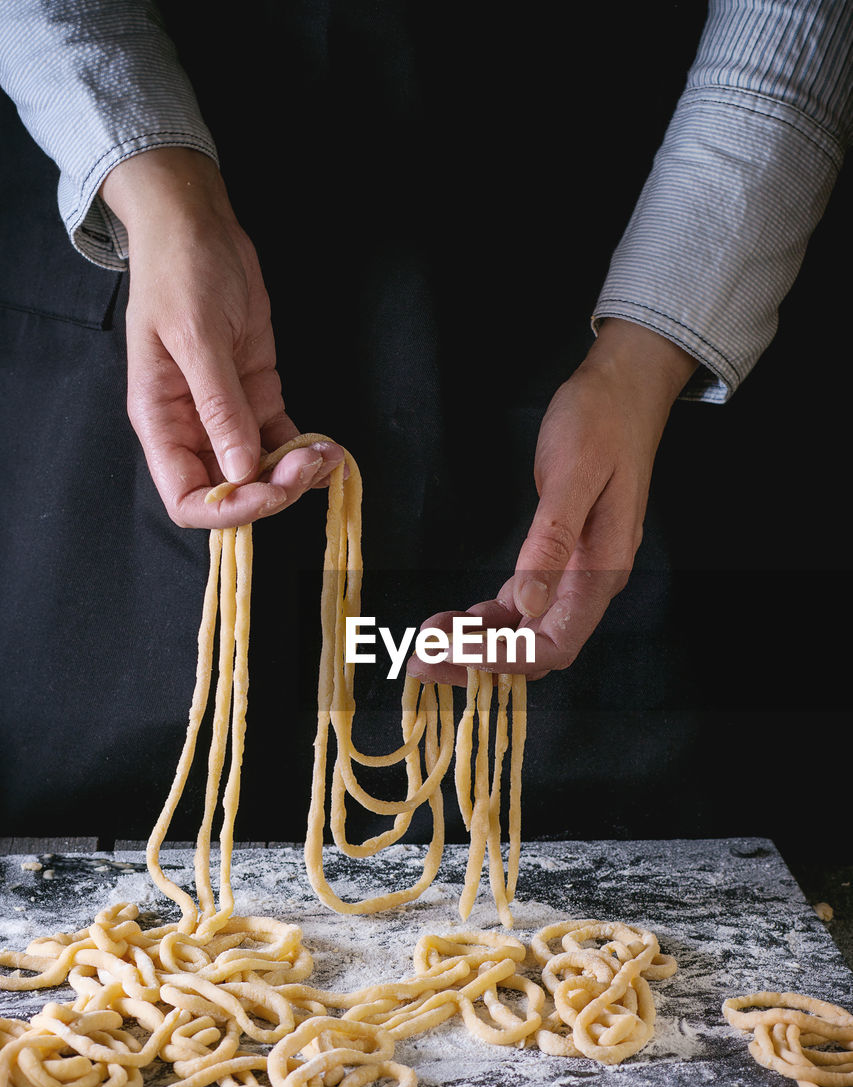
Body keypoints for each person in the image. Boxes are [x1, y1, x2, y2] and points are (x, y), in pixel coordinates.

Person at [0, 2, 850, 855]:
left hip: (600, 288)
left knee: (586, 823)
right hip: (142, 256)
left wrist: (648, 351)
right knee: (112, 815)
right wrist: (156, 193)